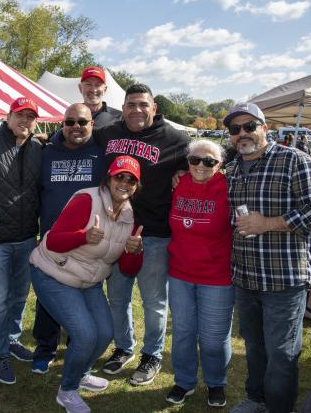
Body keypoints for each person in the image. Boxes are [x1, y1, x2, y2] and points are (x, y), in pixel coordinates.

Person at [223, 103, 311, 413]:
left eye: (249, 126)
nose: (242, 134)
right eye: (235, 129)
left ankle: (278, 407)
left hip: (283, 278)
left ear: (265, 128)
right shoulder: (231, 170)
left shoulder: (295, 160)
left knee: (282, 353)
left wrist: (269, 223)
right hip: (245, 277)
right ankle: (256, 399)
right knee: (255, 347)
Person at [29, 155, 144, 413]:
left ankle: (81, 372)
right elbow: (52, 242)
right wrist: (83, 236)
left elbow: (126, 269)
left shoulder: (128, 216)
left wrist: (135, 251)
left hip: (88, 281)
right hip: (53, 273)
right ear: (109, 178)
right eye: (119, 177)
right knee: (85, 335)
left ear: (136, 186)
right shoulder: (87, 199)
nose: (124, 183)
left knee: (105, 332)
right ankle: (67, 391)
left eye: (131, 180)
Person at [93, 83, 190, 386]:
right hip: (116, 231)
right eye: (131, 104)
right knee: (117, 297)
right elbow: (78, 139)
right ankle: (123, 347)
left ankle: (153, 354)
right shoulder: (108, 132)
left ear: (154, 108)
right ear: (123, 108)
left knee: (153, 301)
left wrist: (185, 172)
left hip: (155, 234)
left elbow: (210, 158)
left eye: (143, 105)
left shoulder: (175, 138)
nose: (137, 110)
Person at [32, 103, 105, 375]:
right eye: (70, 122)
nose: (76, 127)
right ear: (62, 124)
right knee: (47, 296)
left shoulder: (101, 153)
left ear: (92, 125)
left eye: (82, 122)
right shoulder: (46, 152)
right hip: (52, 238)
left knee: (83, 292)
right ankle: (45, 347)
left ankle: (78, 345)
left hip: (88, 240)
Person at [166, 139, 234, 409]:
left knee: (213, 337)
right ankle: (184, 380)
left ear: (220, 165)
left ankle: (216, 382)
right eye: (195, 160)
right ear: (187, 161)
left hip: (217, 277)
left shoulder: (229, 188)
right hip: (180, 273)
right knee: (183, 332)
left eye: (209, 161)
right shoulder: (178, 183)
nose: (201, 166)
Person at [0, 96, 42, 385]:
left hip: (27, 238)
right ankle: (0, 354)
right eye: (20, 114)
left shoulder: (38, 148)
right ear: (8, 116)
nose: (25, 121)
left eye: (31, 116)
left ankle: (13, 340)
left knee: (19, 296)